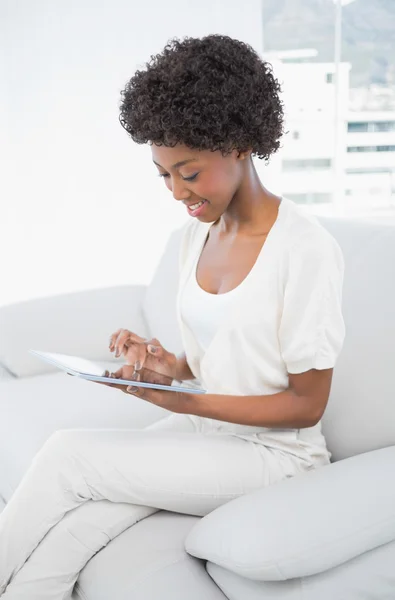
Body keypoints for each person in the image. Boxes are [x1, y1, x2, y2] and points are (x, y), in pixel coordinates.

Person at [0, 34, 346, 598]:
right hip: (209, 430)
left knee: (69, 456)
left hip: (276, 457)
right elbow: (224, 359)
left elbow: (307, 405)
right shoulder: (196, 235)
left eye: (189, 172)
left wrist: (179, 400)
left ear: (238, 144)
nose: (178, 192)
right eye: (164, 175)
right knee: (78, 527)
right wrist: (168, 367)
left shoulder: (305, 248)